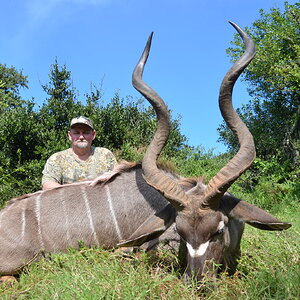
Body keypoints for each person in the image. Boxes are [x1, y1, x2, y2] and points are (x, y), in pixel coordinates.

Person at [42, 116, 117, 190]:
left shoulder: (105, 154)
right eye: (76, 133)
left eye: (86, 133)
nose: (81, 137)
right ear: (70, 135)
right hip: (70, 201)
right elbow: (47, 185)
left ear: (93, 135)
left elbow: (117, 181)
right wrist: (78, 194)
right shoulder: (57, 158)